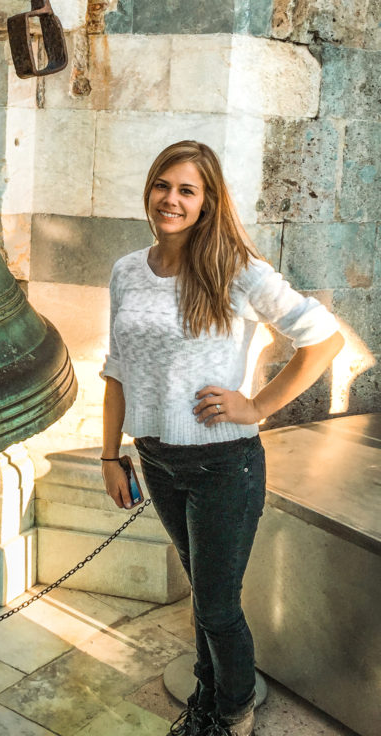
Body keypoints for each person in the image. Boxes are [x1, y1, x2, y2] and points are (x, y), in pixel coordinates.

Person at [100, 140, 344, 736]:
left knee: (215, 605)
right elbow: (115, 369)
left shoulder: (237, 271)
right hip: (156, 461)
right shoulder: (127, 270)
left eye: (187, 190)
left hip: (223, 465)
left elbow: (324, 338)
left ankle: (232, 711)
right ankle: (206, 701)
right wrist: (110, 455)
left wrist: (257, 405)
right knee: (202, 596)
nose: (171, 200)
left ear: (208, 202)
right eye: (164, 185)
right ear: (149, 190)